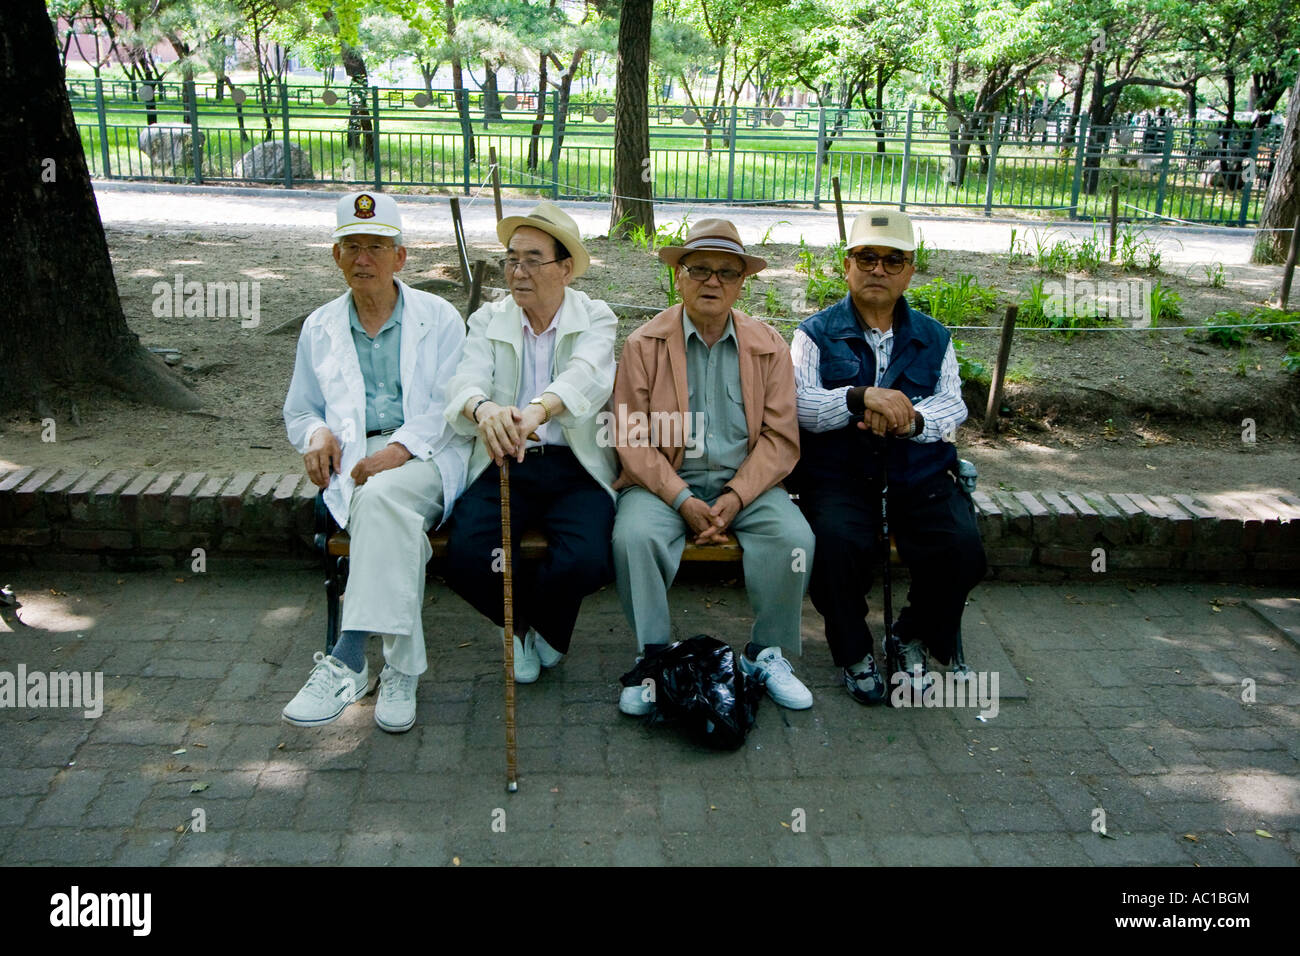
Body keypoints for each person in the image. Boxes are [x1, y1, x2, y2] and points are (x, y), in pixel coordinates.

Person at [282, 191, 471, 733]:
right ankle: (400, 671)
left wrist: (399, 450)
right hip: (355, 461)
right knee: (390, 519)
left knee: (384, 494)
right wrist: (316, 433)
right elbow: (300, 409)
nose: (363, 258)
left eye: (377, 246)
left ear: (400, 258)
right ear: (335, 256)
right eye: (352, 246)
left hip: (429, 456)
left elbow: (451, 404)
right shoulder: (318, 326)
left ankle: (346, 656)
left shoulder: (439, 317)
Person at [610, 219, 816, 715]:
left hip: (744, 486)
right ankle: (654, 658)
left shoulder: (768, 346)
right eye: (699, 269)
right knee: (633, 537)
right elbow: (631, 438)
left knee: (795, 540)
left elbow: (780, 439)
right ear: (678, 277)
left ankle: (766, 653)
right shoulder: (644, 345)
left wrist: (736, 497)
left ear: (742, 283)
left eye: (727, 272)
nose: (713, 282)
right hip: (662, 485)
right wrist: (681, 499)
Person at [790, 207, 986, 705]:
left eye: (893, 260)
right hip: (841, 477)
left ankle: (910, 635)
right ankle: (854, 651)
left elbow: (952, 404)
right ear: (846, 265)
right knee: (835, 547)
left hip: (919, 474)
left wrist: (909, 418)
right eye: (867, 257)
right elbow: (800, 405)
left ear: (910, 270)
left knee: (963, 550)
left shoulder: (934, 336)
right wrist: (859, 398)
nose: (878, 269)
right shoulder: (813, 334)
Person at [442, 201, 618, 681]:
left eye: (532, 260)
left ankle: (548, 625)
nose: (517, 271)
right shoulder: (489, 319)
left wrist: (537, 411)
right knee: (468, 557)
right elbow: (464, 381)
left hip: (574, 464)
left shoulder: (597, 317)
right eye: (511, 259)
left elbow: (589, 377)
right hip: (505, 462)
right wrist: (485, 409)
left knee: (590, 558)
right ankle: (518, 629)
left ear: (565, 269)